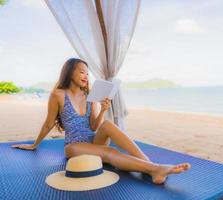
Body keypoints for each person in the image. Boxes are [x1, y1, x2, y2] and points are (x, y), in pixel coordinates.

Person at [11, 58, 191, 184]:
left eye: (87, 73)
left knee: (107, 124)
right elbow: (49, 123)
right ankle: (154, 169)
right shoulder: (58, 95)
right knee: (108, 150)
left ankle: (151, 164)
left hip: (93, 140)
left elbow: (94, 126)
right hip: (74, 145)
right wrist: (34, 145)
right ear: (69, 72)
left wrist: (103, 109)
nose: (85, 76)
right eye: (81, 71)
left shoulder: (89, 94)